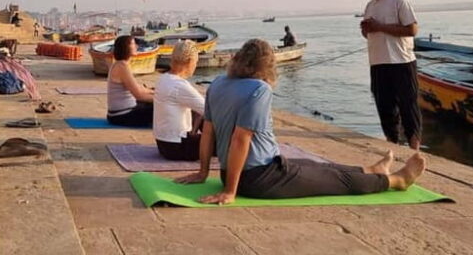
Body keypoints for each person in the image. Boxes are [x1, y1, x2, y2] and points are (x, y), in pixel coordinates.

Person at [178, 39, 427, 204]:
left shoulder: (218, 84)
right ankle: (397, 180)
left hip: (248, 170)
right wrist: (231, 191)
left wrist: (203, 173)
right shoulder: (259, 89)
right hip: (259, 179)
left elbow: (208, 132)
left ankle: (373, 170)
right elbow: (240, 139)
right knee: (336, 182)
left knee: (319, 166)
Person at [360, 0, 421, 150]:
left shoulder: (398, 1)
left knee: (408, 104)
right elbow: (369, 34)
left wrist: (380, 26)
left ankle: (414, 144)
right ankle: (392, 141)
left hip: (401, 61)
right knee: (384, 105)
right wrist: (367, 29)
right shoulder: (370, 6)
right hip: (378, 62)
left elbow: (412, 30)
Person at [154, 40, 205, 160]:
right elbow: (210, 111)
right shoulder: (180, 85)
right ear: (190, 62)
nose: (195, 66)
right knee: (224, 138)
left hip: (163, 144)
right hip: (177, 147)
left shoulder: (163, 79)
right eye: (195, 62)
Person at [106, 35, 154, 127]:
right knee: (163, 106)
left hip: (120, 113)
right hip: (122, 115)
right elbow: (139, 95)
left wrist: (153, 91)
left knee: (153, 98)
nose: (136, 46)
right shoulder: (122, 67)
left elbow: (138, 88)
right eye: (133, 44)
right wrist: (161, 99)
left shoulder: (120, 64)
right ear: (125, 48)